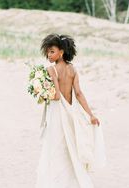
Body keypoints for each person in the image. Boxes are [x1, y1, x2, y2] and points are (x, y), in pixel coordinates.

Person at [35, 34, 104, 188]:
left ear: (61, 52)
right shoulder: (72, 69)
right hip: (70, 114)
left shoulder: (51, 69)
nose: (48, 55)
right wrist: (90, 115)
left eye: (52, 51)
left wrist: (42, 91)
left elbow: (57, 96)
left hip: (58, 115)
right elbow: (78, 93)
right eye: (47, 52)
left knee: (55, 150)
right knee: (69, 149)